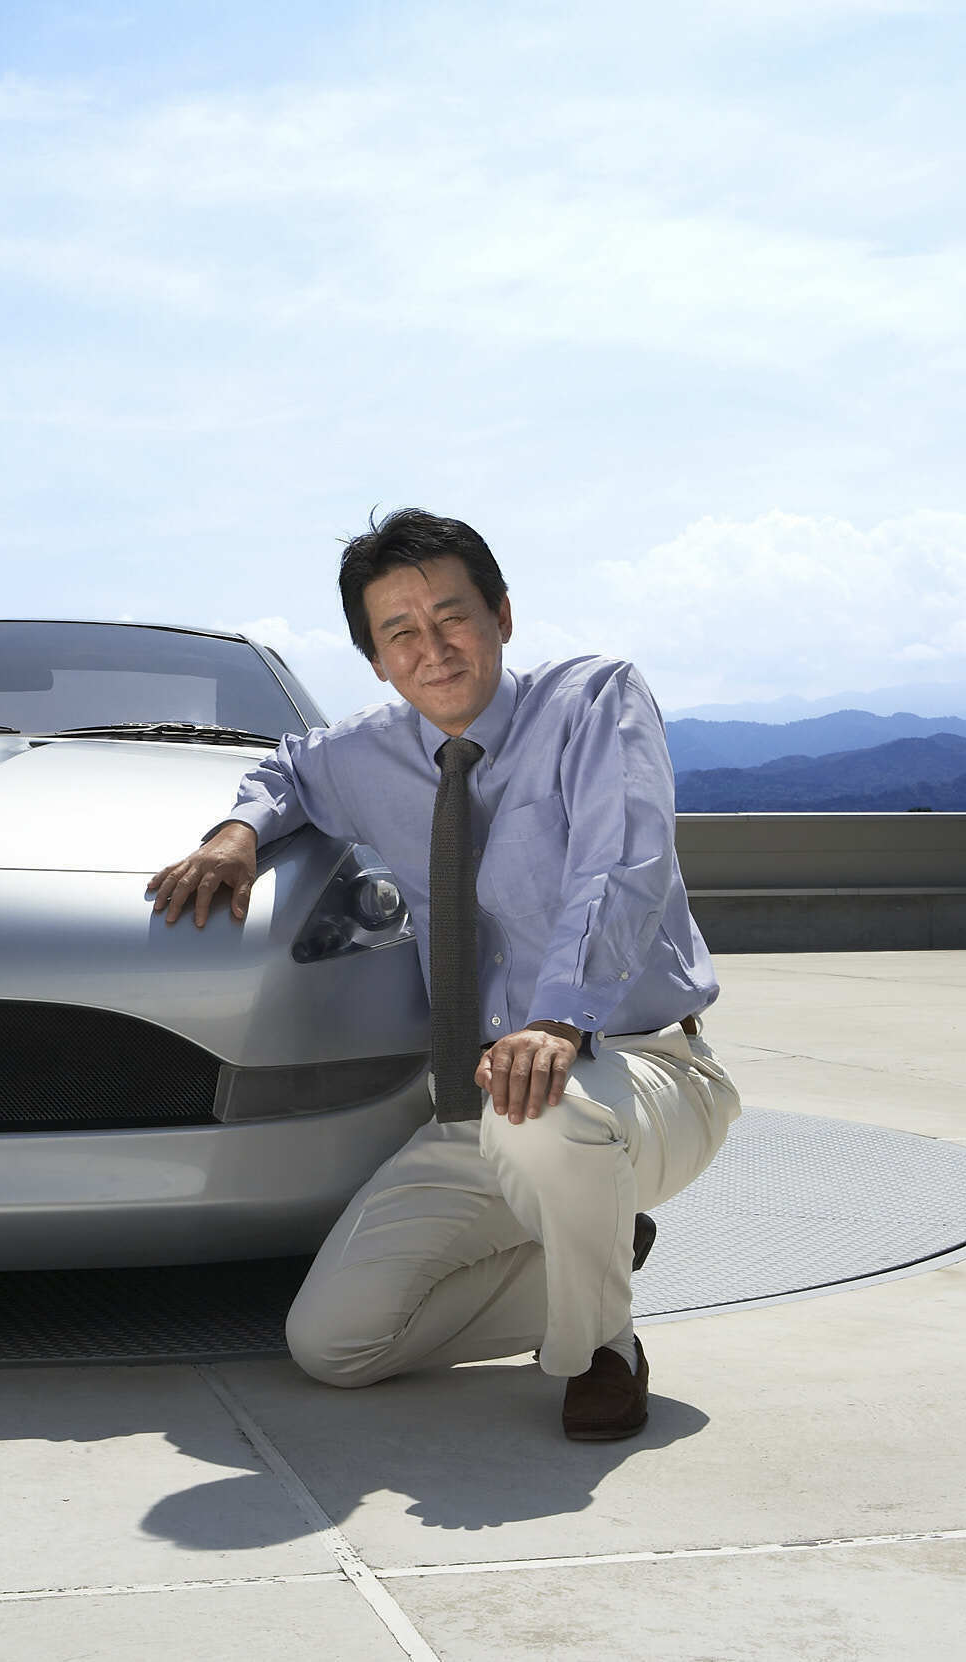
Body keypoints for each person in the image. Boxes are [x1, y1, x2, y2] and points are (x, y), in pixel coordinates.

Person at [147, 509, 739, 1440]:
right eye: (401, 632)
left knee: (541, 1115)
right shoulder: (366, 754)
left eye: (453, 615)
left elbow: (620, 866)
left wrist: (559, 1020)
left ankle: (600, 1347)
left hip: (640, 1070)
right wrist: (235, 837)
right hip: (480, 1104)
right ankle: (591, 1244)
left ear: (502, 614)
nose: (435, 648)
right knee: (334, 1346)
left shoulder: (593, 703)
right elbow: (290, 773)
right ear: (377, 660)